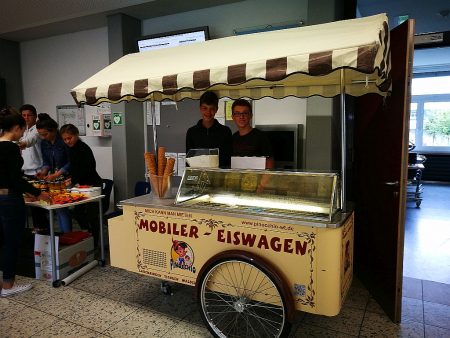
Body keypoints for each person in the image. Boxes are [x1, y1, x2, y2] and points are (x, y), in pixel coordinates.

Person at [0, 107, 50, 297]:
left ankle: (5, 281)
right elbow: (15, 179)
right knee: (12, 242)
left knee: (2, 241)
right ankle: (8, 286)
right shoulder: (10, 148)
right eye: (22, 129)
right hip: (9, 199)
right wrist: (37, 193)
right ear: (16, 127)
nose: (23, 134)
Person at [60, 124, 102, 246]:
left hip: (93, 185)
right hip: (81, 185)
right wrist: (70, 178)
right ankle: (87, 232)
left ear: (76, 135)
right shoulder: (70, 149)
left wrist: (73, 180)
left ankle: (94, 244)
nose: (68, 141)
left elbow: (87, 169)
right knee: (77, 212)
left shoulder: (83, 148)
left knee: (92, 216)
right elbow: (74, 167)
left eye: (70, 138)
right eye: (65, 139)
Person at [36, 113, 72, 233]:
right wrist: (43, 171)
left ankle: (67, 237)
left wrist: (58, 173)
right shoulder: (44, 143)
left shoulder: (64, 140)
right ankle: (61, 237)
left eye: (45, 134)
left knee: (62, 208)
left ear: (53, 131)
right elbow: (46, 161)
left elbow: (71, 161)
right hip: (54, 179)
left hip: (67, 178)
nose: (43, 137)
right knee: (56, 208)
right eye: (41, 135)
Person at [18, 104, 47, 230]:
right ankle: (37, 231)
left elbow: (32, 139)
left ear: (35, 116)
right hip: (25, 172)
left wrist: (22, 143)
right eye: (23, 115)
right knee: (31, 205)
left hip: (38, 171)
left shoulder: (37, 129)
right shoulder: (21, 130)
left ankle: (43, 231)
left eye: (29, 115)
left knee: (40, 206)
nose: (26, 118)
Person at [186, 91, 232, 167]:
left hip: (218, 176)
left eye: (212, 109)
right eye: (205, 108)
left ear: (216, 109)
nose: (208, 112)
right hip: (199, 175)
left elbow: (228, 160)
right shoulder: (191, 132)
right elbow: (188, 160)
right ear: (200, 108)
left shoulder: (226, 131)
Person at [231, 99, 274, 169]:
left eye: (245, 113)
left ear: (251, 115)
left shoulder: (261, 137)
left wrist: (262, 180)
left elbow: (270, 164)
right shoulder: (233, 138)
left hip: (257, 179)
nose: (241, 117)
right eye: (237, 113)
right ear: (233, 117)